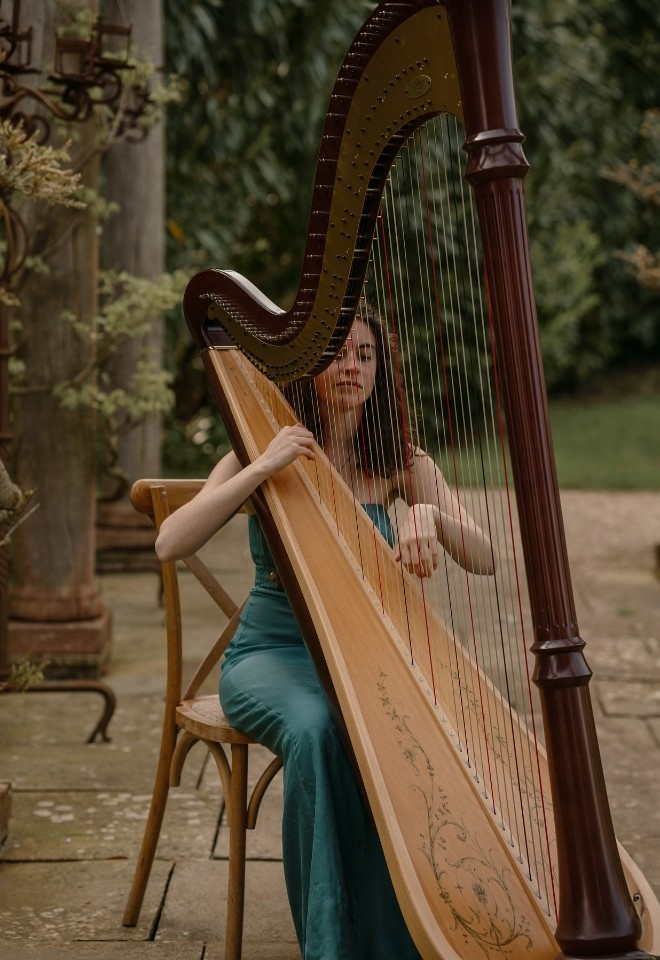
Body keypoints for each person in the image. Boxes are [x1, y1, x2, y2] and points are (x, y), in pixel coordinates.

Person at [155, 303, 494, 960]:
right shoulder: (261, 443)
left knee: (405, 732)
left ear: (379, 372)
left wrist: (429, 516)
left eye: (365, 355)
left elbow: (485, 557)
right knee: (318, 728)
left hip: (364, 664)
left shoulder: (401, 462)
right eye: (339, 354)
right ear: (308, 368)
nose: (351, 367)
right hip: (270, 658)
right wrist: (261, 468)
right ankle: (332, 944)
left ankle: (409, 927)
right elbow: (172, 541)